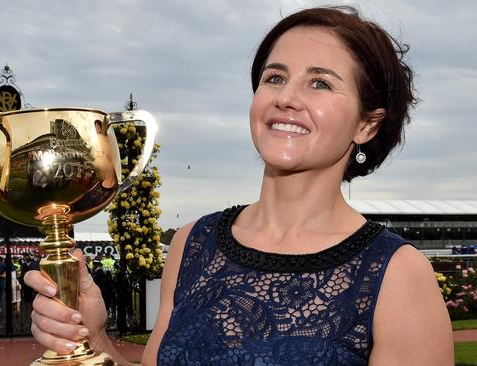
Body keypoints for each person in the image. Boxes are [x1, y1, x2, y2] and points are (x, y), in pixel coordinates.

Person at [25, 6, 454, 365]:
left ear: (367, 123)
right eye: (274, 77)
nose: (286, 97)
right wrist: (95, 339)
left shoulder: (396, 273)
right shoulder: (192, 244)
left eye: (320, 83)